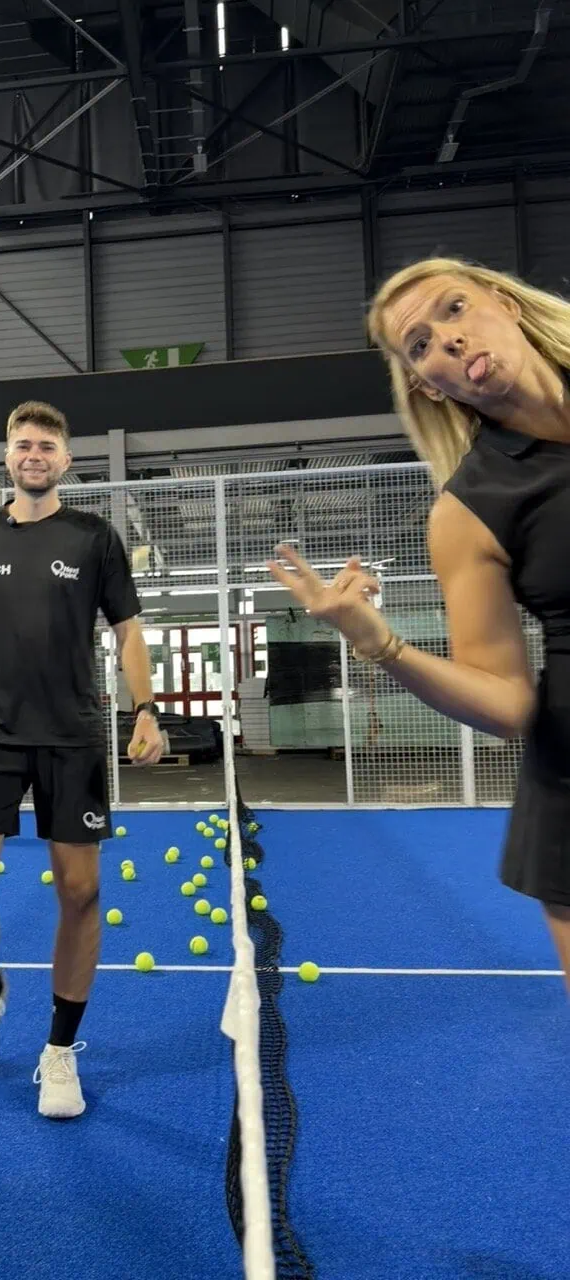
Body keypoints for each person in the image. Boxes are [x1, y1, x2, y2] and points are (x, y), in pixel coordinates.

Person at [268, 256, 570, 990]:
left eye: (455, 309)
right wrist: (383, 645)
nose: (448, 341)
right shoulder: (467, 512)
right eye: (422, 345)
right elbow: (509, 703)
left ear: (503, 301)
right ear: (428, 385)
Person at [0, 400, 164, 1118]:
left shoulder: (94, 536)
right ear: (7, 456)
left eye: (47, 445)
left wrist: (145, 708)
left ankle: (59, 1052)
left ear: (66, 460)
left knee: (80, 893)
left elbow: (129, 630)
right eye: (23, 444)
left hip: (72, 733)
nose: (34, 455)